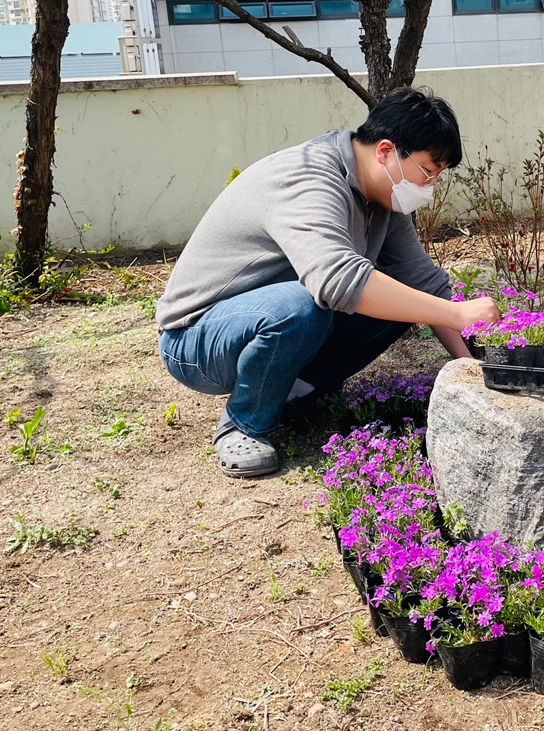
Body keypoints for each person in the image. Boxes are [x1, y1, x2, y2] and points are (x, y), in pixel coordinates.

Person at [154, 87, 500, 478]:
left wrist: (476, 371)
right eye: (426, 171)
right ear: (386, 151)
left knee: (402, 298)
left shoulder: (382, 196)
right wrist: (455, 313)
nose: (429, 187)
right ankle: (244, 424)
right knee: (301, 307)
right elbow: (335, 279)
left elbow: (424, 285)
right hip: (197, 337)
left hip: (267, 319)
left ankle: (295, 391)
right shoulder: (308, 177)